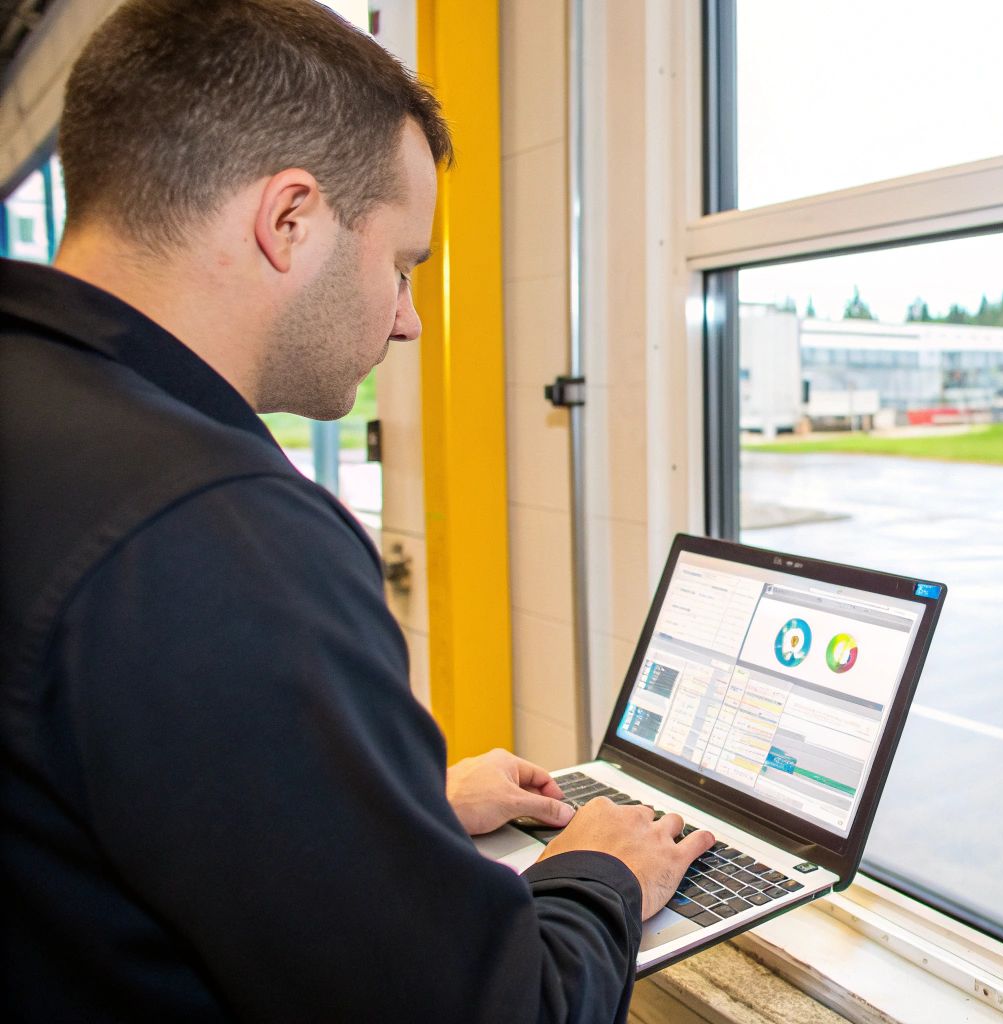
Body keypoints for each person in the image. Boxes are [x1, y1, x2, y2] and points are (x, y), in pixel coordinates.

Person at [0, 1, 713, 1020]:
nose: (409, 318)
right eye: (402, 262)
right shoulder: (217, 530)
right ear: (289, 219)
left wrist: (400, 815)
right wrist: (597, 872)